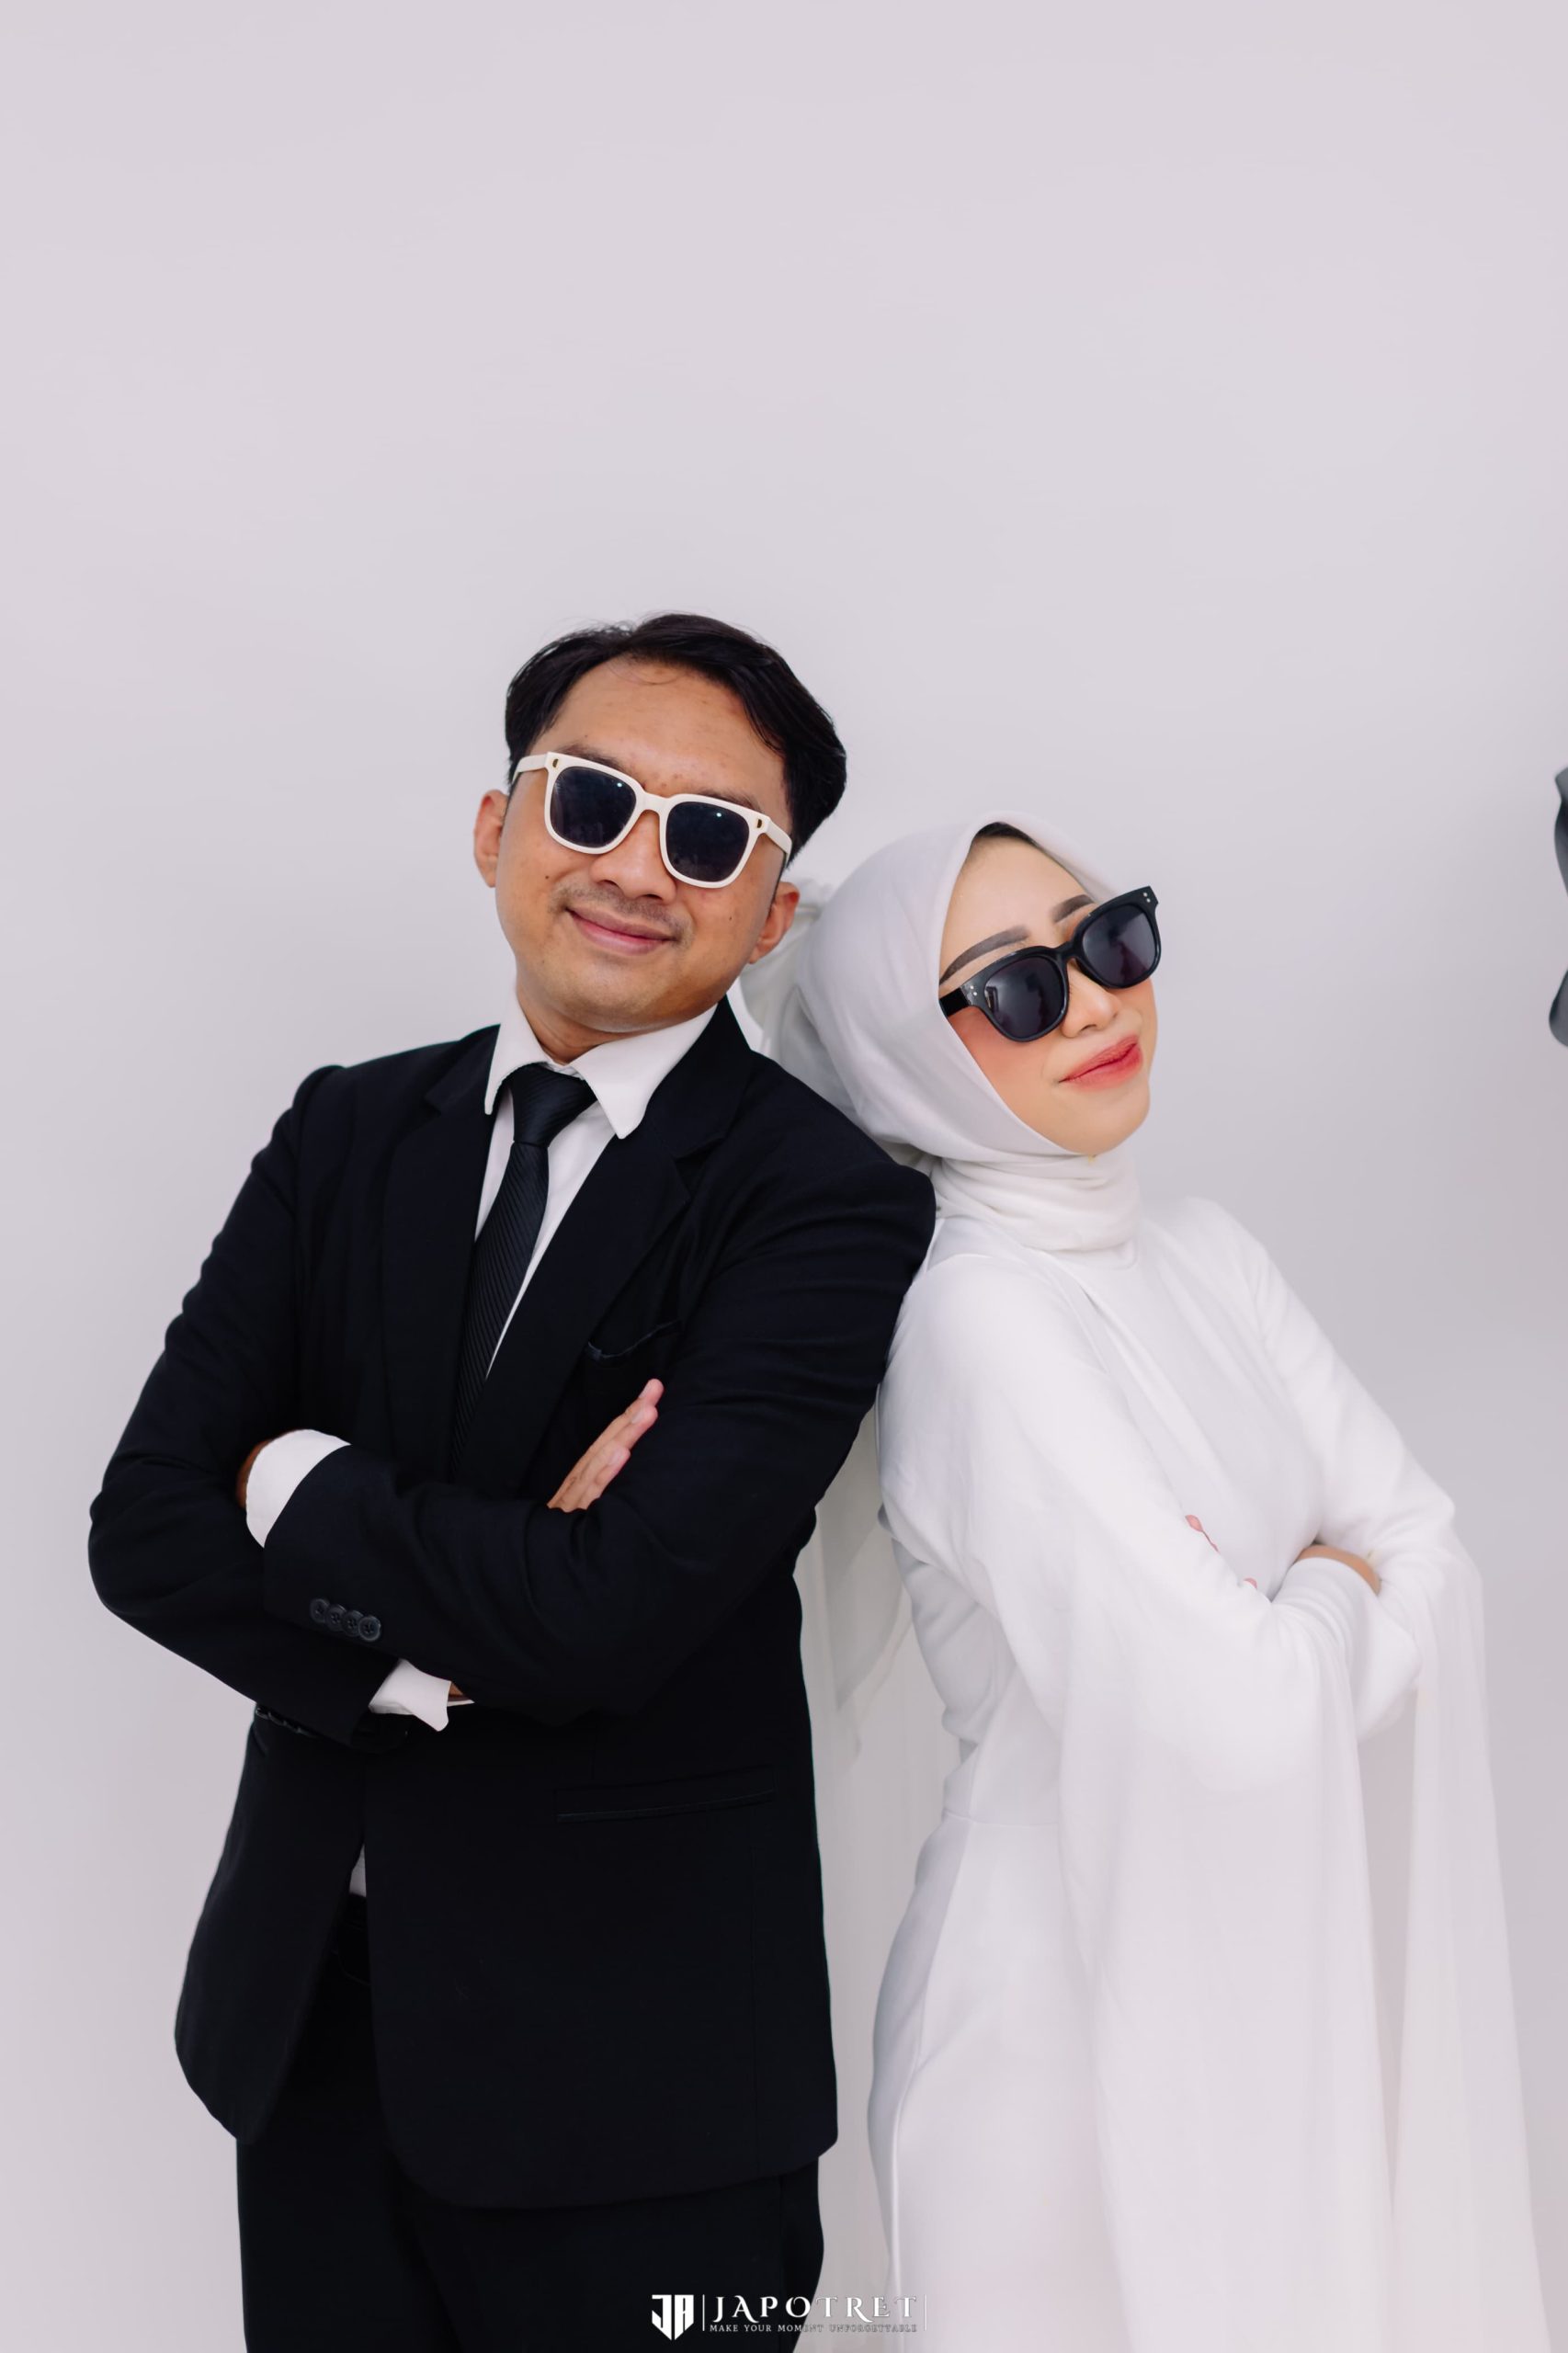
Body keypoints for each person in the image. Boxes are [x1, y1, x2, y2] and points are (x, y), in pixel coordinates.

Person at [86, 612, 936, 2352]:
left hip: (642, 2088)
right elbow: (147, 1529)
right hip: (313, 2031)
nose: (636, 867)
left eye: (710, 836)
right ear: (498, 828)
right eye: (591, 800)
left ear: (772, 912)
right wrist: (432, 1652)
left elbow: (610, 1617)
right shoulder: (344, 1130)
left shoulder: (821, 1201)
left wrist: (296, 1477)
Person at [739, 811, 1551, 2352]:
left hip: (1264, 1985)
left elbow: (1432, 1549)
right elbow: (1239, 1717)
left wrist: (1283, 1616)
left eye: (1106, 939)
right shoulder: (977, 1322)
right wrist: (1332, 1587)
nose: (1093, 1002)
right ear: (904, 1062)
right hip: (1056, 2043)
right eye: (1014, 987)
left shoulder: (1204, 1254)